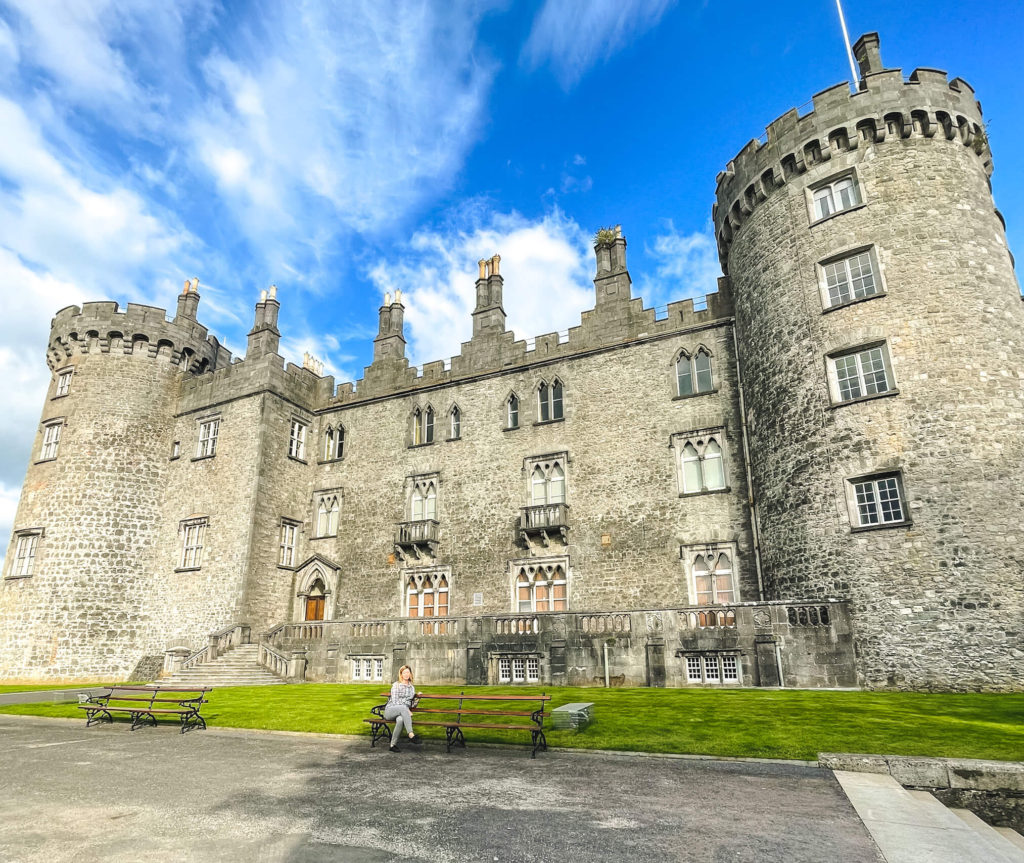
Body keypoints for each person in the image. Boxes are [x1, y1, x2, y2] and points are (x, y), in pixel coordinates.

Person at [383, 664, 421, 752]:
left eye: (408, 672)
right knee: (403, 708)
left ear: (410, 674)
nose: (406, 674)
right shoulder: (396, 685)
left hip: (402, 713)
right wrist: (406, 709)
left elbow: (412, 705)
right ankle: (411, 735)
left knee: (400, 720)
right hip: (390, 710)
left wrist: (418, 698)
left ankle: (392, 745)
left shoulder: (412, 688)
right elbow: (395, 701)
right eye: (404, 673)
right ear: (401, 675)